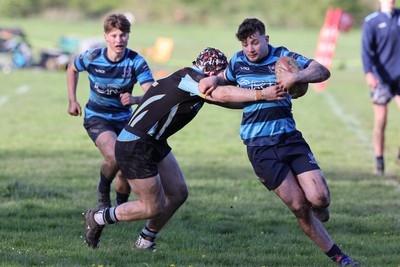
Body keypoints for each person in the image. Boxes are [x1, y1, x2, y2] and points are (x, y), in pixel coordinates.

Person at [83, 47, 287, 251]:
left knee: (178, 193)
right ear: (211, 73)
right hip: (136, 144)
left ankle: (145, 241)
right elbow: (222, 94)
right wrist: (261, 94)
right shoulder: (192, 80)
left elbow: (229, 99)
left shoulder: (191, 79)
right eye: (220, 76)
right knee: (151, 206)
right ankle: (98, 217)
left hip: (154, 140)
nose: (222, 80)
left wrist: (270, 97)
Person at [198, 18, 360, 266]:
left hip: (289, 138)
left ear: (266, 39)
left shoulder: (282, 56)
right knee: (299, 207)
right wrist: (214, 80)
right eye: (245, 44)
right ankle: (340, 257)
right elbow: (223, 79)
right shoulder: (238, 62)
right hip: (259, 147)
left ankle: (318, 205)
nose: (250, 49)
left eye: (254, 42)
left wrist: (297, 77)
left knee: (320, 198)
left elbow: (322, 70)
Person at [67, 13, 154, 209]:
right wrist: (72, 100)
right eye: (114, 35)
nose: (119, 40)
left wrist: (135, 99)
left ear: (128, 37)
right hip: (97, 118)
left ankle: (120, 208)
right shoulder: (93, 57)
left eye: (123, 35)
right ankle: (103, 190)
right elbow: (71, 68)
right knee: (116, 157)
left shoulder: (136, 61)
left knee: (126, 166)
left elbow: (152, 94)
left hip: (125, 119)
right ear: (106, 37)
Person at [361, 0, 400, 175]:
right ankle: (379, 161)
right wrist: (369, 72)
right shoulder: (372, 21)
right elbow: (366, 51)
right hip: (380, 79)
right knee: (381, 121)